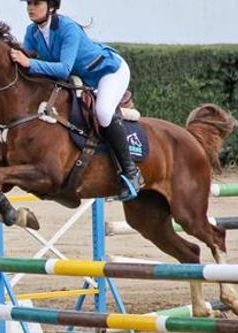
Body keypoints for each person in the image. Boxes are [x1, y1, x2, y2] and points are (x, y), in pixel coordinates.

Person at [10, 0, 143, 201]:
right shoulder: (32, 32)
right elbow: (28, 66)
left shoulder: (67, 28)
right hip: (82, 78)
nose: (30, 7)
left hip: (108, 72)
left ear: (51, 6)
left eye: (36, 3)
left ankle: (131, 172)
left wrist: (29, 62)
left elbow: (63, 68)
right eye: (28, 3)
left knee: (104, 112)